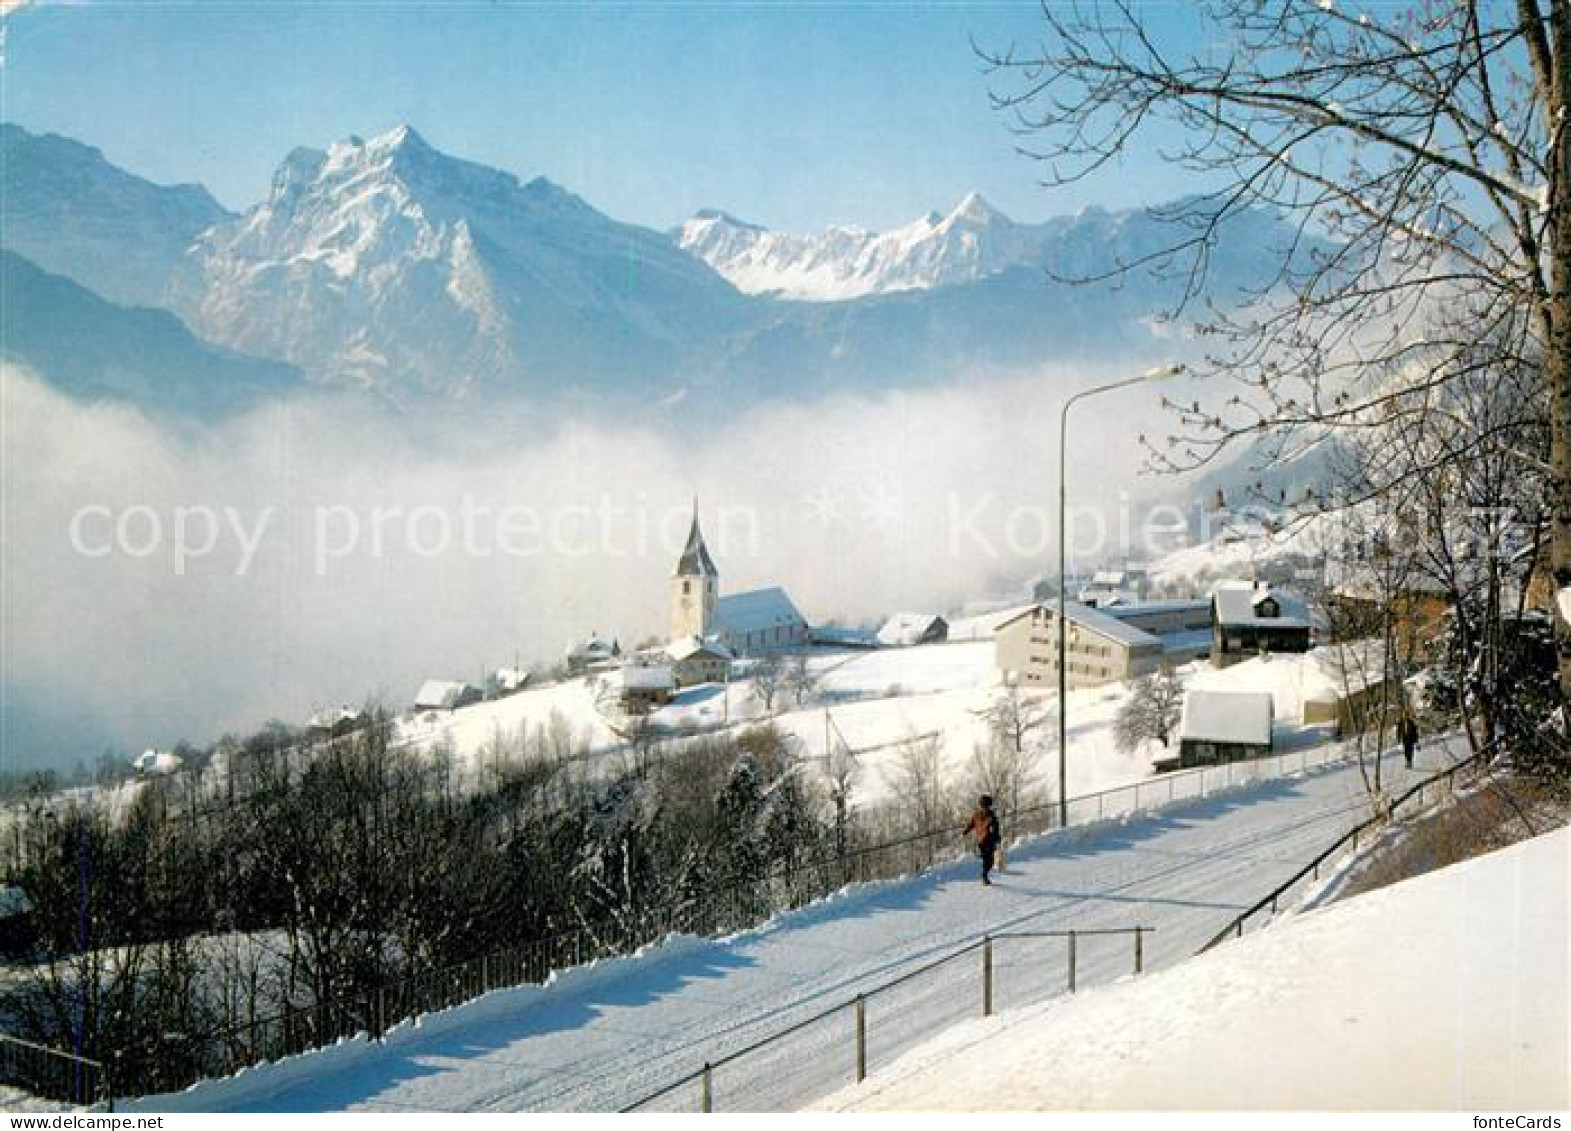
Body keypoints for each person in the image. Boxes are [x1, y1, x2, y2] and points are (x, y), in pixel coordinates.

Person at [964, 794, 1001, 886]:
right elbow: (995, 828)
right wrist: (997, 838)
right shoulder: (991, 815)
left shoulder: (976, 815)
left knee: (986, 859)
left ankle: (984, 875)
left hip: (980, 841)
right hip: (989, 840)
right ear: (989, 804)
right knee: (990, 861)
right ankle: (984, 875)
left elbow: (970, 825)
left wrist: (965, 831)